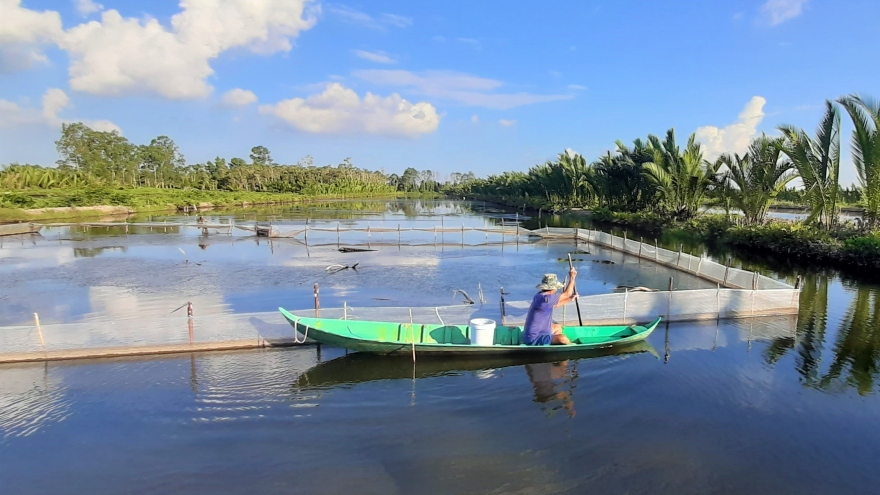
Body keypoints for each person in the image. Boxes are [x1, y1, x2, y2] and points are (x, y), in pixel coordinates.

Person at [523, 268, 577, 345]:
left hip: (540, 331)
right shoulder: (547, 298)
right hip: (534, 338)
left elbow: (555, 305)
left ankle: (553, 343)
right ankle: (570, 348)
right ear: (553, 289)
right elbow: (567, 293)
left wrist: (570, 299)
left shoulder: (539, 295)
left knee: (557, 327)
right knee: (563, 339)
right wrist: (572, 277)